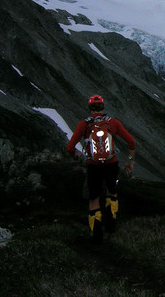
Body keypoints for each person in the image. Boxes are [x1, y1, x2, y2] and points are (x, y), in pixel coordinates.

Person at [66, 94, 136, 242]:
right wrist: (130, 161)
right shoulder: (113, 123)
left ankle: (96, 232)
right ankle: (111, 224)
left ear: (89, 107)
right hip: (111, 163)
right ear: (102, 107)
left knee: (94, 198)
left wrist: (76, 156)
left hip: (93, 165)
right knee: (112, 192)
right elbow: (131, 142)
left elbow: (70, 147)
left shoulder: (83, 125)